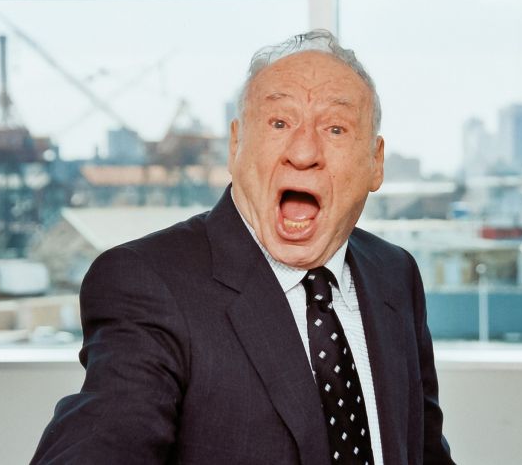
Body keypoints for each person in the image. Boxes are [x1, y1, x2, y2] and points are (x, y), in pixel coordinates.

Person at [32, 30, 454, 465]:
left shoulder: (395, 273)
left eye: (335, 128)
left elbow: (425, 451)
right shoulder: (146, 283)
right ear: (235, 146)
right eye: (279, 123)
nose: (303, 152)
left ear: (375, 162)